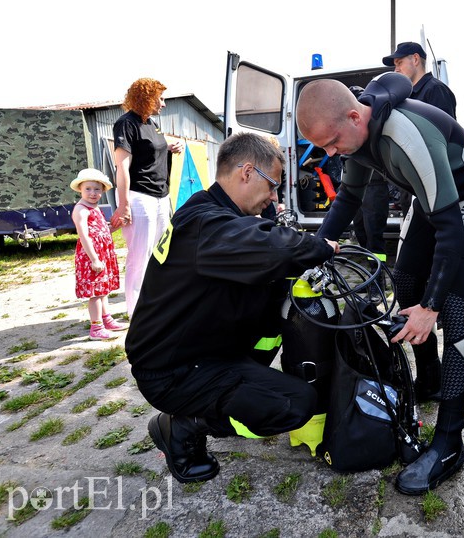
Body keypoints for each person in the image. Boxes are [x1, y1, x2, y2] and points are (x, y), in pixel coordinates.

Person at [296, 73, 464, 495]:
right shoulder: (355, 132)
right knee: (404, 284)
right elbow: (348, 199)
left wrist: (432, 307)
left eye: (333, 142)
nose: (331, 153)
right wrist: (312, 250)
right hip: (434, 204)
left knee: (455, 309)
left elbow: (450, 230)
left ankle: (449, 442)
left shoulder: (405, 136)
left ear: (355, 116)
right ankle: (429, 379)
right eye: (325, 147)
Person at [125, 132, 339, 484]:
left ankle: (231, 391)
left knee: (273, 297)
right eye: (272, 187)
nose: (273, 198)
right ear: (247, 172)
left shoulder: (209, 210)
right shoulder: (205, 225)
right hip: (172, 372)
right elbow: (274, 247)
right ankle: (183, 425)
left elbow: (261, 249)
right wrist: (322, 247)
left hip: (200, 350)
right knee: (293, 405)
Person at [351, 41, 458, 264]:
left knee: (432, 238)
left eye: (399, 62)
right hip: (411, 182)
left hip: (430, 181)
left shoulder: (435, 91)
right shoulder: (404, 98)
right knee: (414, 238)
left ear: (415, 59)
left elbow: (443, 141)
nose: (396, 69)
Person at [111, 77, 185, 318]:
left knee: (161, 254)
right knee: (139, 257)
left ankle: (158, 306)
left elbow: (153, 149)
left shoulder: (152, 124)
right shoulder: (126, 124)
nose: (163, 104)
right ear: (146, 97)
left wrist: (171, 146)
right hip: (140, 198)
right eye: (160, 99)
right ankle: (137, 314)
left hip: (161, 197)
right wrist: (123, 205)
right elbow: (121, 167)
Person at [70, 168, 127, 340]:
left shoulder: (95, 208)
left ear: (102, 191)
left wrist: (118, 225)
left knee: (103, 289)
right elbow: (84, 235)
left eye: (97, 189)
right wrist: (94, 258)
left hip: (102, 254)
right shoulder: (81, 210)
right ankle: (96, 327)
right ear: (80, 188)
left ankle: (106, 318)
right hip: (91, 256)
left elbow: (103, 231)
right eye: (88, 189)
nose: (93, 193)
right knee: (95, 292)